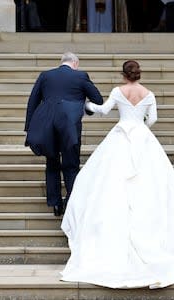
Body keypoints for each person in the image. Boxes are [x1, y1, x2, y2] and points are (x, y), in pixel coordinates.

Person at [60, 60, 174, 288]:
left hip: (121, 135)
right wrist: (140, 126)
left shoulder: (118, 91)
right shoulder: (149, 94)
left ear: (123, 75)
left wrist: (87, 106)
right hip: (142, 137)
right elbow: (153, 119)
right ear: (138, 74)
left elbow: (103, 110)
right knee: (150, 185)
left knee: (108, 184)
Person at [24, 52, 103, 216]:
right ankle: (72, 201)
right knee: (71, 165)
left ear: (62, 62)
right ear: (75, 63)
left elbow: (33, 101)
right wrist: (83, 107)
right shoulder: (80, 76)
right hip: (70, 126)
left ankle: (55, 204)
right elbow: (98, 99)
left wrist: (29, 127)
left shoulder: (45, 76)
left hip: (47, 125)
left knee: (52, 163)